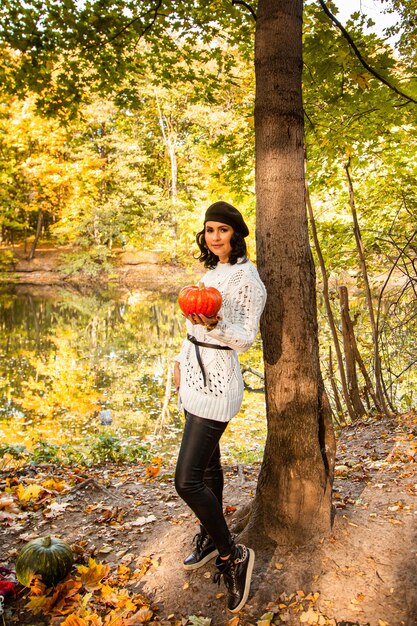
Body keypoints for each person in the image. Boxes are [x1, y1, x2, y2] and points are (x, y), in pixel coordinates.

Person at [173, 201, 267, 614]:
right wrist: (178, 360)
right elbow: (192, 322)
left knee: (186, 480)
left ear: (236, 234)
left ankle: (233, 555)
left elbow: (245, 338)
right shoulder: (210, 274)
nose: (214, 236)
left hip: (218, 381)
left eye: (222, 230)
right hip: (193, 374)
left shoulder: (247, 277)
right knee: (209, 468)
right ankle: (210, 538)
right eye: (209, 229)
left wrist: (216, 326)